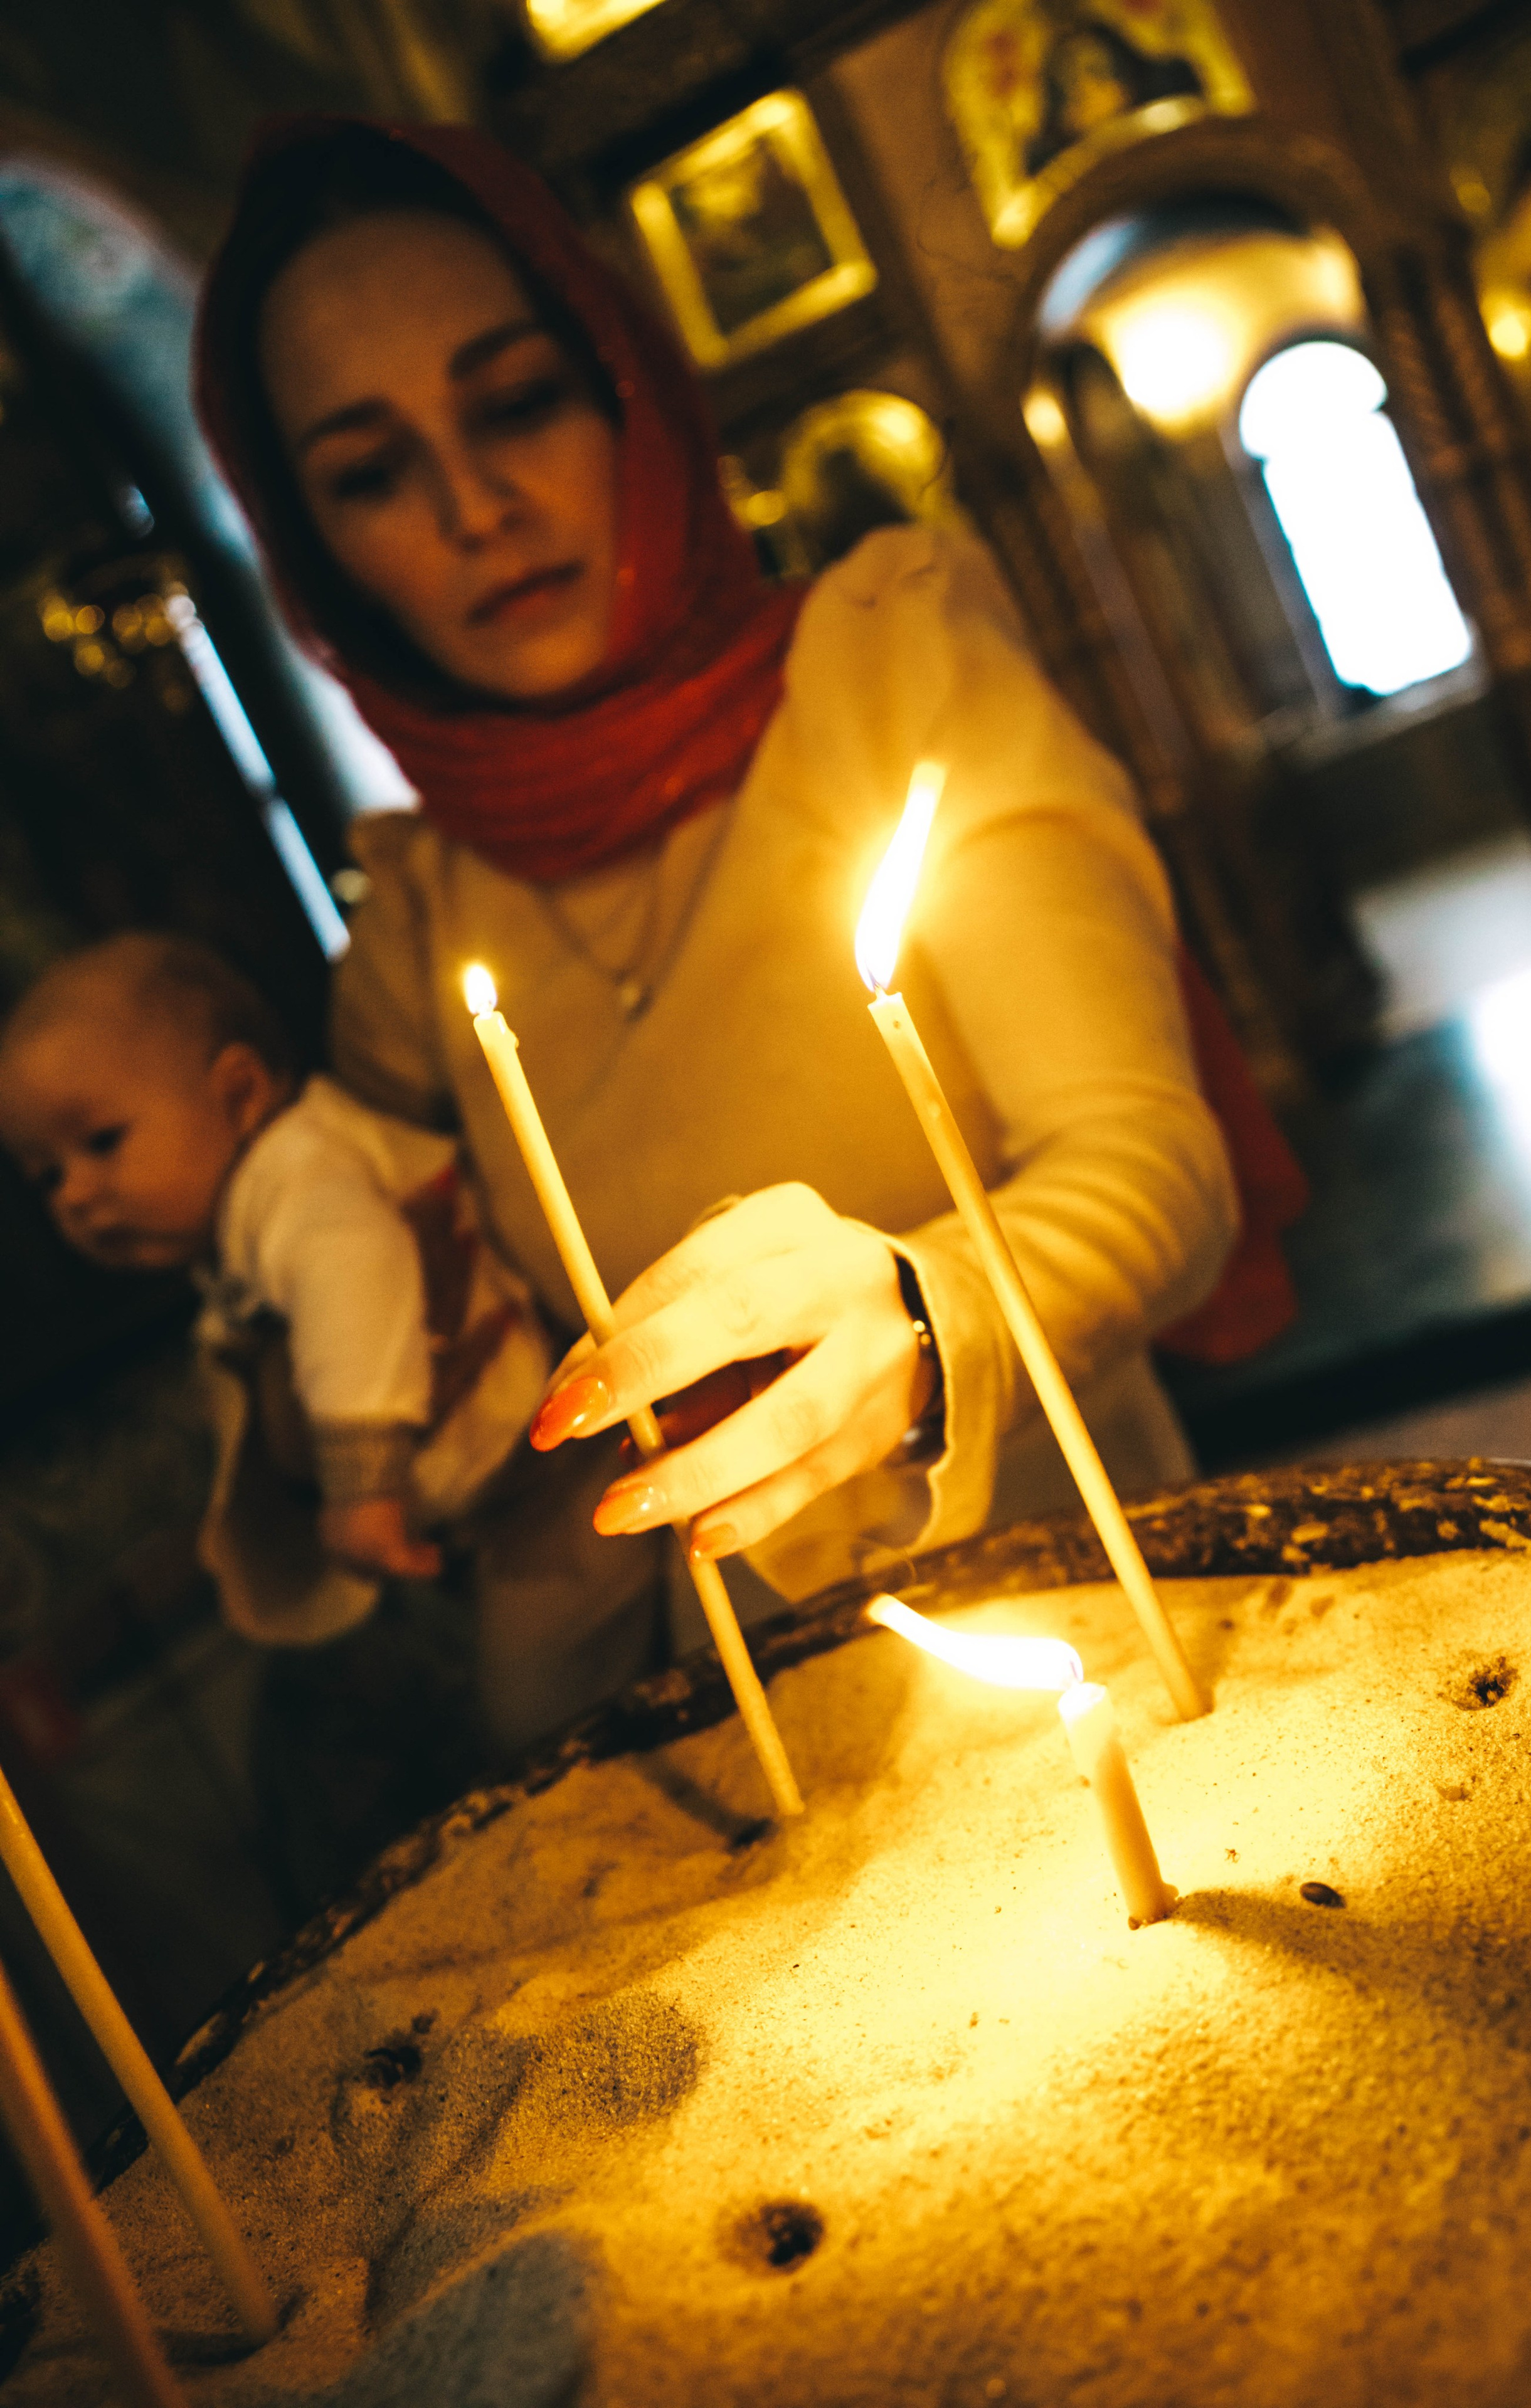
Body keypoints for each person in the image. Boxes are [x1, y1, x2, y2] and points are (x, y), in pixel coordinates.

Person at [195, 117, 1259, 1703]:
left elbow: (1148, 1159)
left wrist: (920, 1312)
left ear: (624, 389)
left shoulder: (890, 664)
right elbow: (390, 1315)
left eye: (516, 402)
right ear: (313, 557)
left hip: (1064, 1607)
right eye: (369, 471)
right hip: (709, 1708)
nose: (476, 503)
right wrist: (307, 1389)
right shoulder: (420, 908)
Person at [0, 934, 630, 1741]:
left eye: (101, 1142)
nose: (77, 1196)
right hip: (503, 1489)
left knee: (546, 1706)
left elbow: (358, 1269)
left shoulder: (298, 1177)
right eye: (45, 1176)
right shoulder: (250, 1216)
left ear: (239, 1094)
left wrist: (361, 1481)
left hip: (550, 1473)